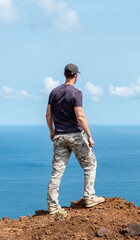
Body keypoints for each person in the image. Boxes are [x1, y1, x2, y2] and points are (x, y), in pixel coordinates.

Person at [46, 63, 104, 214]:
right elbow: (80, 116)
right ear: (76, 76)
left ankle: (52, 206)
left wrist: (52, 132)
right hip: (75, 135)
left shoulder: (53, 92)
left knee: (57, 171)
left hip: (59, 136)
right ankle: (89, 197)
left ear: (64, 74)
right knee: (90, 164)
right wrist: (90, 136)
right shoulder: (76, 93)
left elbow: (48, 115)